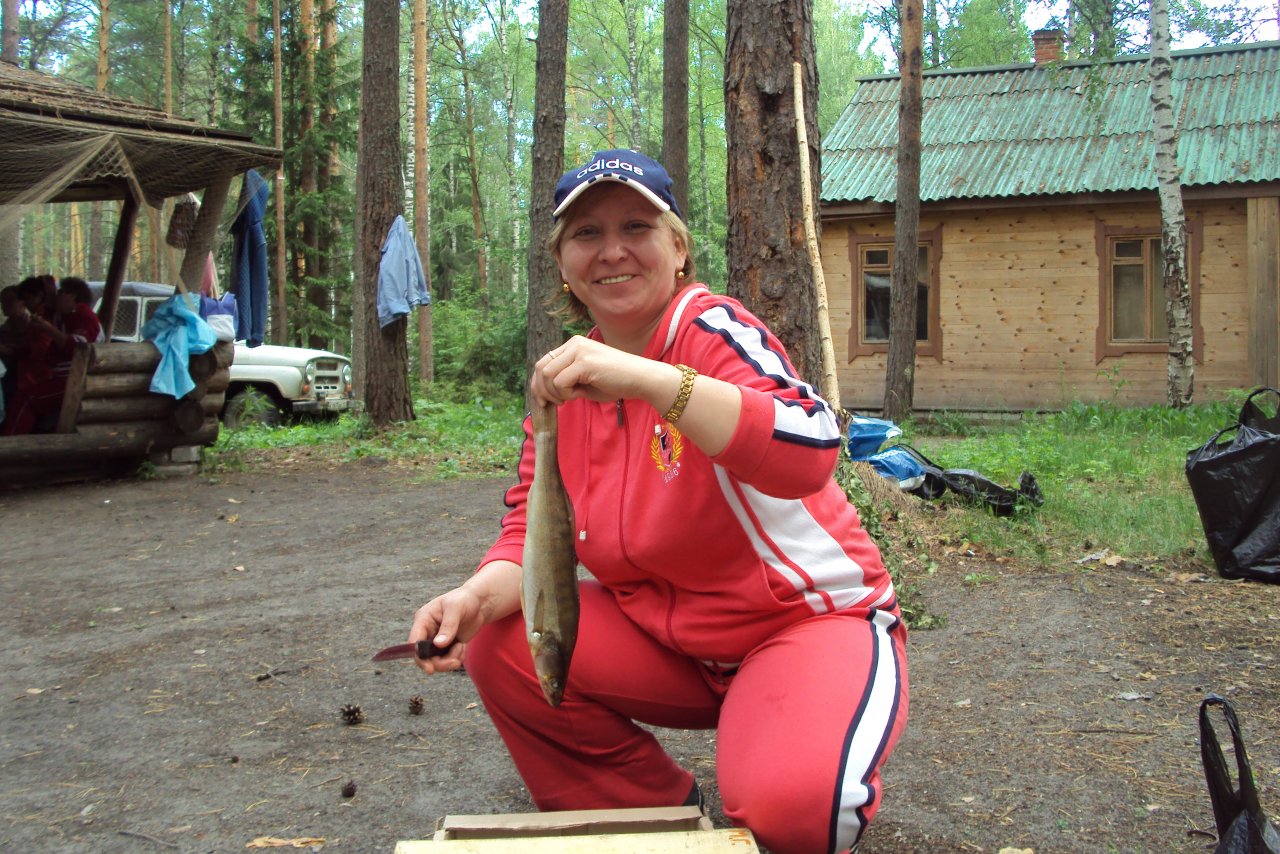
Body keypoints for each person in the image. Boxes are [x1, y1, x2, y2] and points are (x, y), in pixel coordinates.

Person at [402, 150, 908, 854]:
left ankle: (787, 751)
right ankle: (652, 815)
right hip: (670, 646)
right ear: (562, 264)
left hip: (801, 628)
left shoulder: (712, 329)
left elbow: (814, 446)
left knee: (790, 813)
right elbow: (529, 529)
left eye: (636, 226)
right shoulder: (565, 382)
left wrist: (652, 381)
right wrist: (472, 599)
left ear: (677, 247)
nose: (612, 251)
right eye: (586, 234)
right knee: (503, 638)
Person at [2, 276, 103, 435]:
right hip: (65, 378)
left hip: (76, 380)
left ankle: (9, 449)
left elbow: (78, 348)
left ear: (73, 296)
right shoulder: (62, 316)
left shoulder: (83, 314)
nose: (56, 296)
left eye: (61, 292)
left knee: (26, 398)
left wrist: (48, 329)